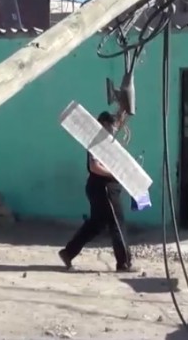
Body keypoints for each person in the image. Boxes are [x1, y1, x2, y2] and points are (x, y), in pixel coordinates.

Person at [59, 111, 135, 272]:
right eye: (110, 126)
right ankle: (124, 263)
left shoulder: (107, 141)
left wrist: (124, 110)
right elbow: (94, 167)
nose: (113, 129)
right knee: (117, 223)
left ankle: (68, 252)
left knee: (96, 224)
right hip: (104, 187)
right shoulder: (96, 142)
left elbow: (121, 120)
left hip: (99, 187)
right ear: (103, 125)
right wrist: (115, 174)